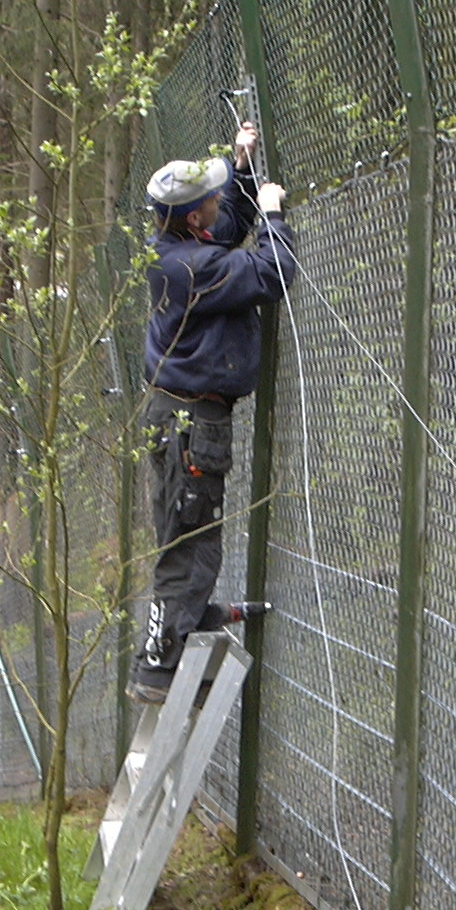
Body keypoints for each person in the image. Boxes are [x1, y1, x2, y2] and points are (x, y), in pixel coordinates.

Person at [128, 122, 297, 703]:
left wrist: (242, 168)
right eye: (212, 196)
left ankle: (181, 627)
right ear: (192, 215)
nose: (220, 200)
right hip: (191, 425)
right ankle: (158, 665)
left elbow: (224, 232)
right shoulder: (192, 268)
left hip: (176, 417)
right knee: (191, 543)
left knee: (187, 535)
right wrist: (273, 216)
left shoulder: (175, 251)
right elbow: (271, 273)